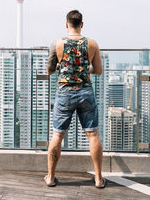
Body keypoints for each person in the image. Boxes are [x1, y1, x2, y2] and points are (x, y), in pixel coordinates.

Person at [44, 10, 105, 188]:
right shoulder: (92, 44)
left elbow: (50, 70)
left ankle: (50, 177)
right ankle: (99, 178)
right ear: (82, 24)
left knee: (57, 135)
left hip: (64, 93)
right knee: (92, 134)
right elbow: (98, 70)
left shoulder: (57, 44)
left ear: (66, 24)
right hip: (86, 91)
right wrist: (84, 70)